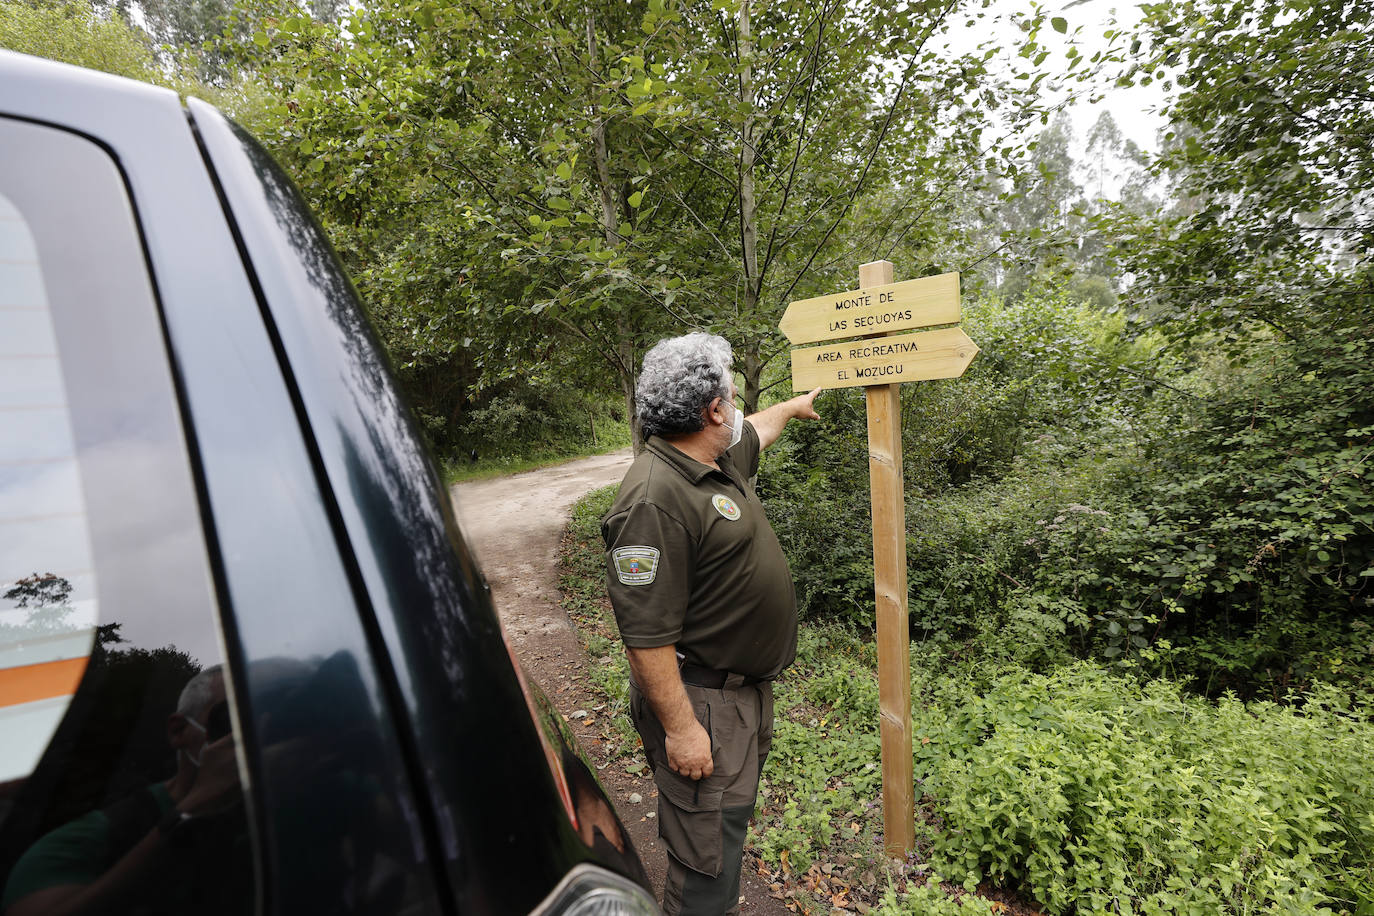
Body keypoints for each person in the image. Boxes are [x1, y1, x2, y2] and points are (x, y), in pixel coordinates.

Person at [601, 332, 821, 916]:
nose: (739, 407)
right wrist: (681, 729)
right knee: (706, 863)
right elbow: (645, 634)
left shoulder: (711, 459)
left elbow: (760, 429)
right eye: (732, 395)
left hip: (739, 698)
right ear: (712, 409)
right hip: (700, 704)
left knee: (723, 832)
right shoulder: (654, 497)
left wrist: (795, 406)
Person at [2, 666, 247, 916]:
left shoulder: (279, 811)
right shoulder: (92, 839)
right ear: (179, 730)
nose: (254, 731)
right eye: (233, 718)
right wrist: (189, 813)